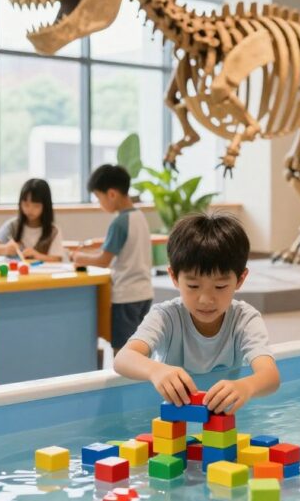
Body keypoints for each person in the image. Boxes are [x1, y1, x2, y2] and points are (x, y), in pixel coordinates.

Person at [113, 213, 280, 415]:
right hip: (173, 418)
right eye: (193, 285)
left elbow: (270, 376)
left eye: (220, 286)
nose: (205, 299)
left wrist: (246, 386)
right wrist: (156, 370)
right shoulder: (166, 317)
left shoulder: (244, 319)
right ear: (174, 277)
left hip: (221, 419)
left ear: (240, 279)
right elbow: (123, 358)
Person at [73, 164, 153, 351]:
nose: (99, 204)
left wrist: (79, 257)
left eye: (99, 198)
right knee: (140, 348)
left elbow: (103, 260)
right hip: (144, 293)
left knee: (123, 352)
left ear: (111, 194)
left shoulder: (119, 222)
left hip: (125, 295)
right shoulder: (139, 216)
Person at [0, 178, 65, 262]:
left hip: (41, 274)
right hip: (16, 274)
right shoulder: (13, 225)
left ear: (45, 206)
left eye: (36, 206)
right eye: (26, 204)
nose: (30, 210)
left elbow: (57, 259)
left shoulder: (53, 231)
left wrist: (36, 255)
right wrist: (5, 249)